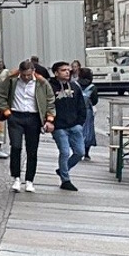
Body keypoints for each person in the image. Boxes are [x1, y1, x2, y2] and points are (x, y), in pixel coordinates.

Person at [0, 57, 53, 193]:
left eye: (29, 75)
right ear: (20, 72)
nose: (26, 78)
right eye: (24, 75)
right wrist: (7, 113)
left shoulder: (42, 83)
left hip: (33, 117)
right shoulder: (11, 80)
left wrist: (49, 119)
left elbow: (50, 100)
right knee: (15, 147)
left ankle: (29, 180)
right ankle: (16, 178)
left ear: (33, 71)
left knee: (32, 150)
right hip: (15, 116)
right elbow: (1, 96)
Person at [49, 60, 88, 191]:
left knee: (80, 152)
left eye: (68, 70)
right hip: (59, 127)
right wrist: (51, 122)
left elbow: (81, 105)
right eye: (63, 70)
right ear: (56, 73)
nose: (67, 72)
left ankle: (63, 169)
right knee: (64, 152)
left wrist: (80, 123)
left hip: (74, 125)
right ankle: (65, 180)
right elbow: (46, 105)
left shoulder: (75, 86)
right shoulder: (50, 87)